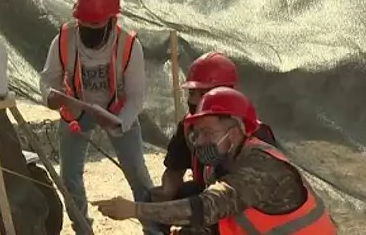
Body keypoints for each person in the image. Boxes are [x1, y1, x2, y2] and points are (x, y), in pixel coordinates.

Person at [93, 87, 337, 235]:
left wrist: (135, 210)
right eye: (198, 133)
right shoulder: (227, 159)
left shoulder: (260, 167)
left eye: (208, 133)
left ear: (236, 130)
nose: (199, 141)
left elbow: (207, 207)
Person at [39, 0, 158, 235]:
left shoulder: (128, 46)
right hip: (76, 112)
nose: (88, 30)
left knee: (137, 173)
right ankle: (83, 230)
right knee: (69, 177)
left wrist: (120, 122)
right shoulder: (63, 40)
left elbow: (136, 96)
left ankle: (154, 229)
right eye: (84, 24)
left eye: (96, 25)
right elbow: (48, 79)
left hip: (117, 112)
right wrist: (52, 98)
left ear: (112, 21)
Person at [156, 52, 278, 209]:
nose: (192, 101)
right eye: (191, 93)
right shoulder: (188, 126)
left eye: (200, 94)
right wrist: (167, 196)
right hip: (210, 198)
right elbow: (173, 171)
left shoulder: (256, 134)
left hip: (245, 206)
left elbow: (262, 192)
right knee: (184, 194)